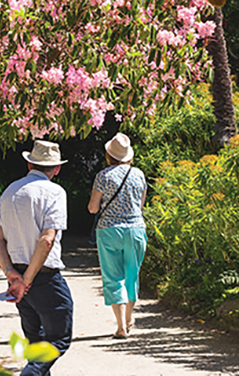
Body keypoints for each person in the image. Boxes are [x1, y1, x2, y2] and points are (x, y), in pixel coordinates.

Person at [0, 140, 73, 376]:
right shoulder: (55, 192)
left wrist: (11, 273)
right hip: (43, 277)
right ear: (57, 168)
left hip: (16, 275)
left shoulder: (10, 191)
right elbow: (47, 240)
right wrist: (27, 279)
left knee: (36, 344)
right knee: (59, 339)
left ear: (29, 164)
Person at [87, 133, 147, 339]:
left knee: (113, 277)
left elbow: (93, 208)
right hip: (136, 229)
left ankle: (121, 326)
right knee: (132, 274)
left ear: (108, 155)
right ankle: (130, 319)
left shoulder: (103, 176)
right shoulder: (139, 174)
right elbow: (140, 205)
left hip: (110, 230)